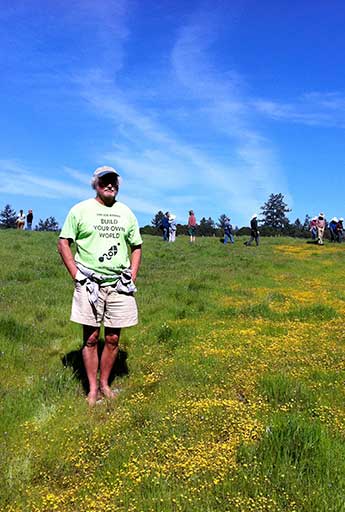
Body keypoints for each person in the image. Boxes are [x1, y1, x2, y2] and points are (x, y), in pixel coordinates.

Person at [58, 165, 142, 406]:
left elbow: (136, 246)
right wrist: (76, 274)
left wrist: (132, 276)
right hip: (89, 283)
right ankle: (92, 389)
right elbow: (63, 242)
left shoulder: (126, 212)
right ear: (95, 184)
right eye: (105, 180)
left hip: (119, 284)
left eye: (114, 181)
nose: (110, 184)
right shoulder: (80, 210)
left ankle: (105, 383)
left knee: (113, 338)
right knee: (92, 337)